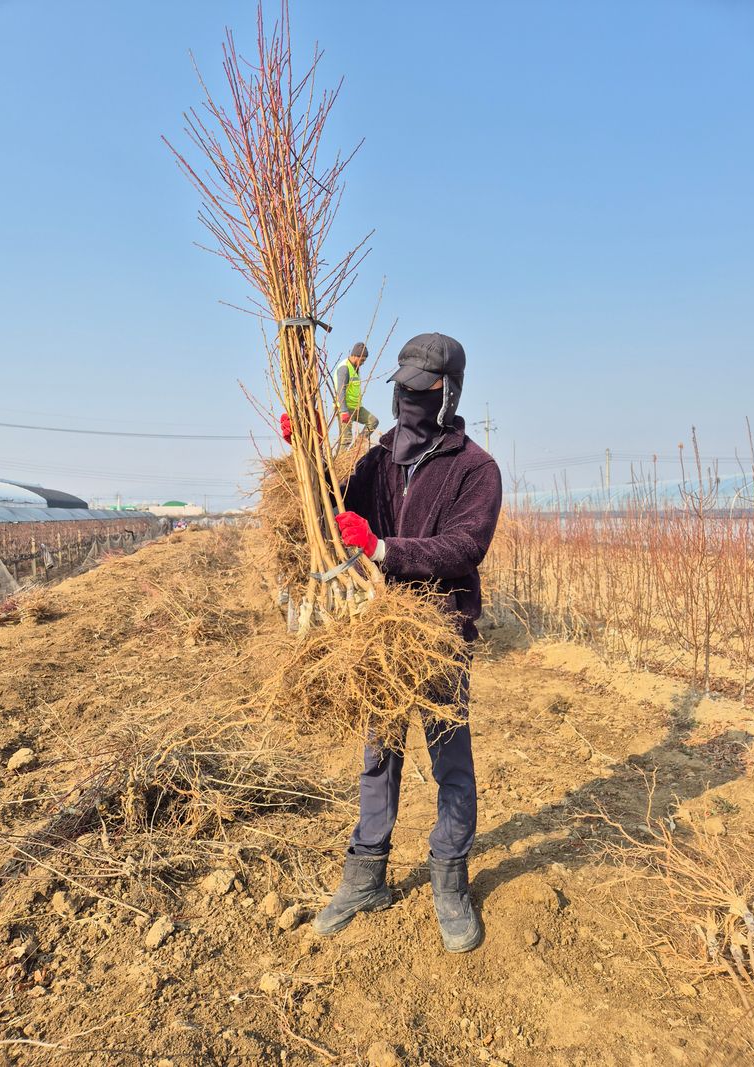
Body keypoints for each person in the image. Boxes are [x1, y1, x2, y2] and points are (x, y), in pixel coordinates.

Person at [281, 332, 502, 953]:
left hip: (437, 632)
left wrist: (385, 550)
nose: (408, 397)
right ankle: (366, 873)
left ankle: (450, 879)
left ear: (448, 391)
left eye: (422, 389)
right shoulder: (377, 458)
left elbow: (465, 546)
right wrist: (306, 455)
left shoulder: (475, 468)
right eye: (401, 386)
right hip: (377, 631)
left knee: (449, 759)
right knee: (379, 754)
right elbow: (333, 514)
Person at [335, 342, 379, 447]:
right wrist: (344, 411)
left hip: (357, 407)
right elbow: (341, 391)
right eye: (362, 360)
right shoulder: (344, 368)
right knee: (346, 439)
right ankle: (342, 461)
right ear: (355, 356)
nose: (363, 363)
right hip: (345, 408)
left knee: (373, 421)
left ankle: (355, 449)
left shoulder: (355, 367)